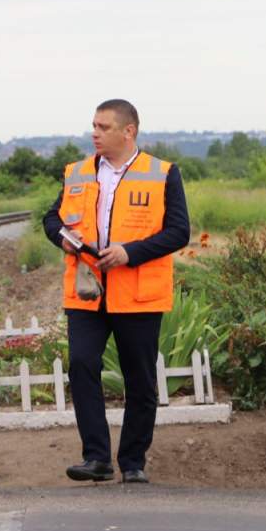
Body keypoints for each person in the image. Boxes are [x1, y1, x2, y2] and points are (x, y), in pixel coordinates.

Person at [43, 99, 190, 484]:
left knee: (139, 379)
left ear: (129, 131)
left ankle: (133, 461)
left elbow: (179, 232)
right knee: (83, 365)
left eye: (104, 127)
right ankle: (96, 458)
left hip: (138, 295)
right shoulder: (76, 172)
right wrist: (65, 238)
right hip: (88, 292)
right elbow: (51, 218)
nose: (95, 133)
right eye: (93, 125)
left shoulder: (162, 174)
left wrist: (129, 253)